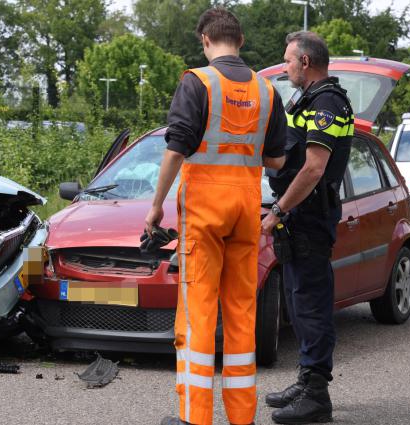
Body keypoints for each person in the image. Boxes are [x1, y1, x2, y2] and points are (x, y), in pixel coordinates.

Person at [146, 7, 286, 425]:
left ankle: (195, 417)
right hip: (246, 208)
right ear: (240, 41)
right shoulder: (267, 91)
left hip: (205, 210)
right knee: (242, 311)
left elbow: (177, 147)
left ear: (205, 40)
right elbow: (277, 160)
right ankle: (242, 417)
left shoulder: (198, 81)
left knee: (199, 311)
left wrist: (156, 205)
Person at [260, 31, 354, 424]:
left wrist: (278, 211)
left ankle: (317, 396)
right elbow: (290, 159)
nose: (284, 67)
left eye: (287, 60)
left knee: (311, 304)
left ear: (305, 62)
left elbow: (314, 168)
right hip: (301, 218)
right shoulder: (309, 101)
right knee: (299, 301)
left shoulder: (328, 103)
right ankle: (306, 379)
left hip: (310, 217)